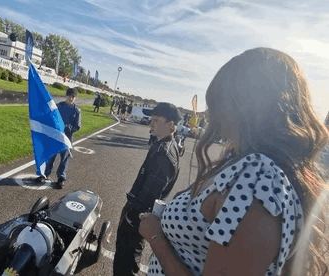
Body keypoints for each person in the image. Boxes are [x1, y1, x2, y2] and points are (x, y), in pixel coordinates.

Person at [138, 48, 329, 276]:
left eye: (219, 101)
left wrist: (156, 236)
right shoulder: (256, 168)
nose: (213, 113)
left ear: (246, 106)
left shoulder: (257, 177)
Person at [113, 102, 181, 276]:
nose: (151, 123)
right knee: (125, 257)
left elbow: (150, 195)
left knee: (126, 261)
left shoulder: (164, 154)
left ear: (171, 124)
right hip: (137, 212)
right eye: (151, 119)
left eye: (156, 120)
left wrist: (130, 217)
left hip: (137, 216)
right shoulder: (163, 144)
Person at [35, 88, 81, 189]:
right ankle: (45, 174)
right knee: (51, 155)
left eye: (73, 97)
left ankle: (61, 178)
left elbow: (77, 126)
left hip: (66, 138)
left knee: (64, 158)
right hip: (55, 136)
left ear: (75, 98)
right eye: (69, 96)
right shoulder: (59, 106)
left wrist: (68, 128)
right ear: (66, 96)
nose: (71, 98)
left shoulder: (76, 110)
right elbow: (52, 118)